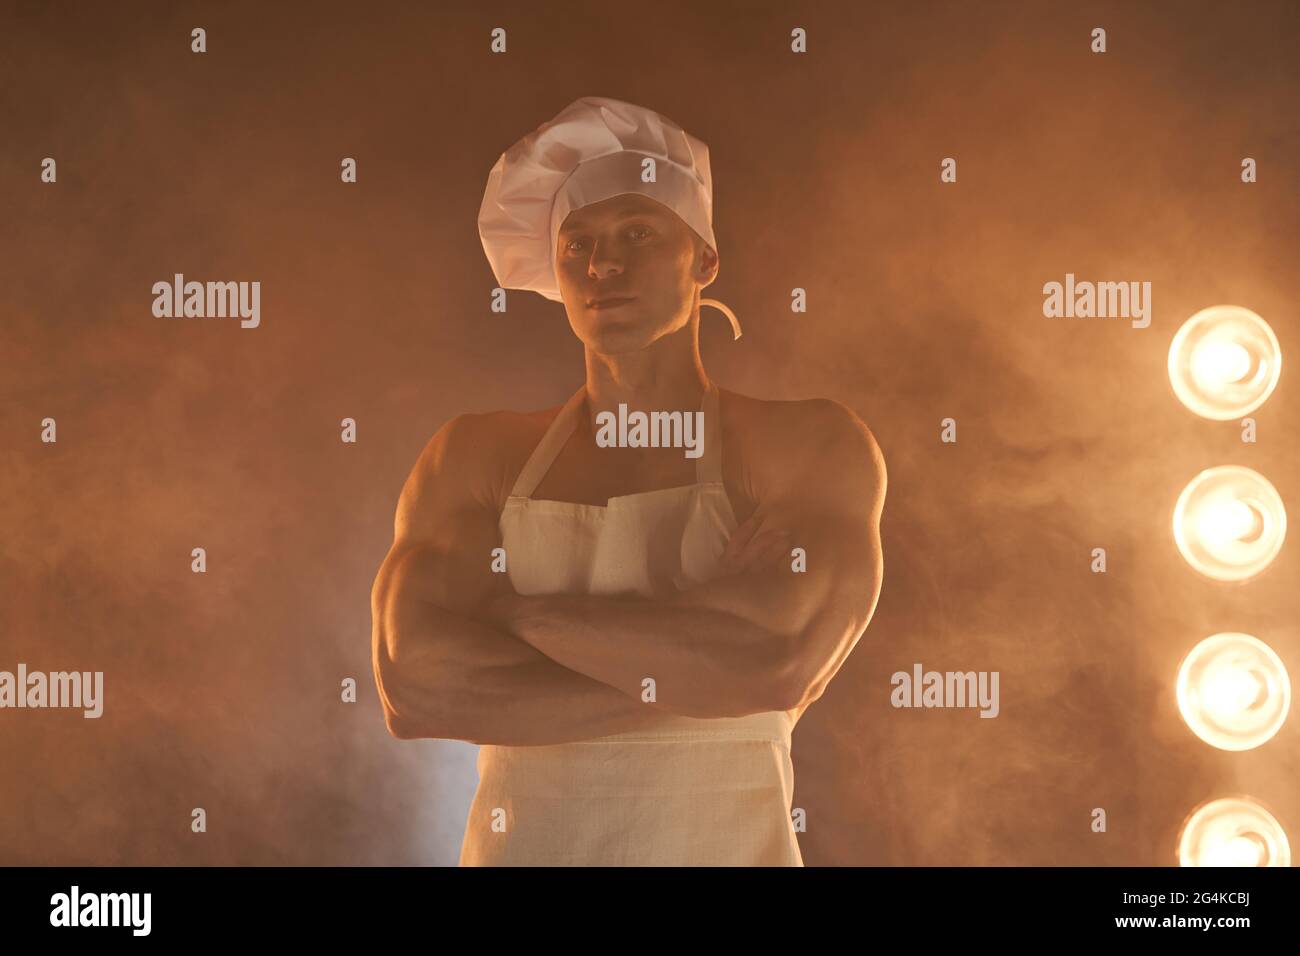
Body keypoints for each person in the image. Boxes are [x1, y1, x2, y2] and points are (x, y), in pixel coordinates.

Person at [369, 96, 886, 866]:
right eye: (577, 243)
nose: (602, 266)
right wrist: (699, 659)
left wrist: (513, 614)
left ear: (703, 258)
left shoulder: (808, 442)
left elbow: (778, 661)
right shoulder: (474, 454)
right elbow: (415, 689)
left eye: (638, 233)